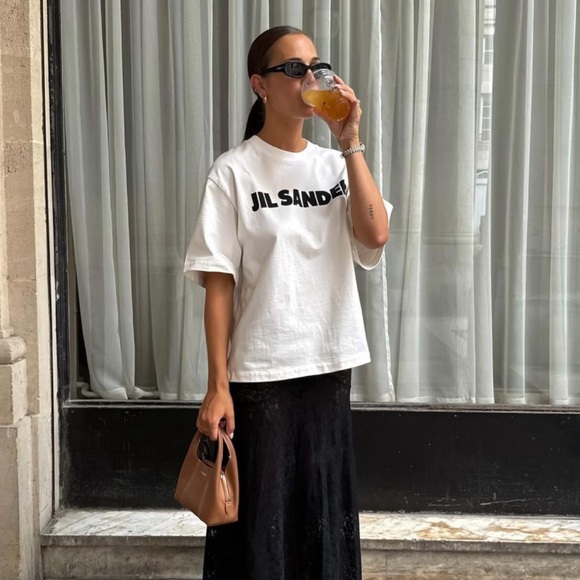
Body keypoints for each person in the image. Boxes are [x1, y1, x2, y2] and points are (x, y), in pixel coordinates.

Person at [184, 24, 391, 580]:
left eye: (315, 66)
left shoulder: (334, 166)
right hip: (261, 372)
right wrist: (218, 385)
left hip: (327, 364)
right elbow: (219, 284)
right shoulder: (233, 171)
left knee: (322, 513)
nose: (309, 78)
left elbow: (375, 235)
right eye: (294, 69)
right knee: (262, 522)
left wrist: (350, 141)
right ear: (261, 85)